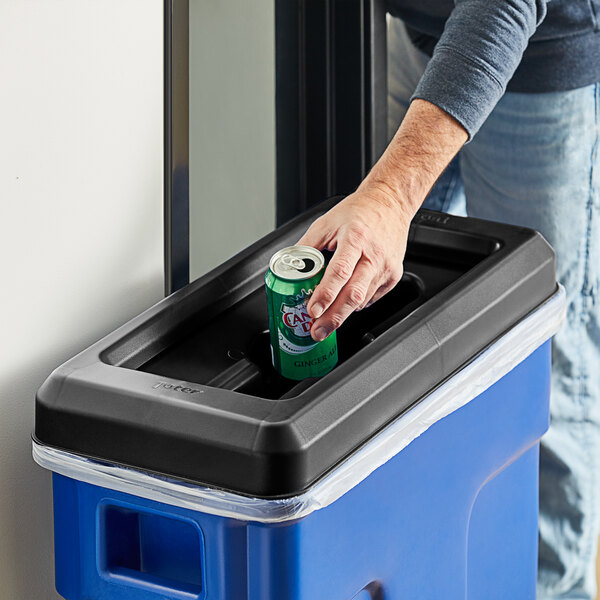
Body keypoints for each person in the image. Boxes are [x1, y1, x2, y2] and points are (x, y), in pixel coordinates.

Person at [297, 1, 600, 598]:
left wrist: (389, 193)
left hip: (536, 63)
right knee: (383, 303)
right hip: (409, 37)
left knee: (543, 347)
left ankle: (548, 586)